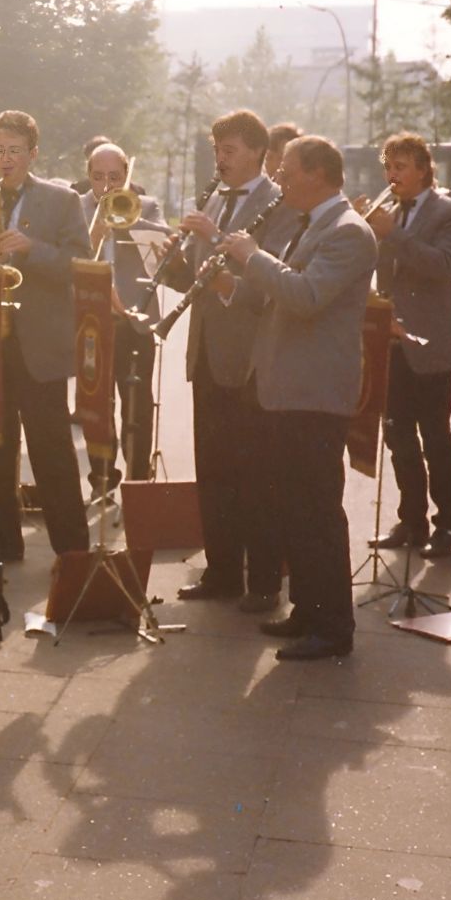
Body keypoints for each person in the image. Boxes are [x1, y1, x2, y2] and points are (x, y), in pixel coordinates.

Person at [220, 135, 377, 659]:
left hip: (314, 394)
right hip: (287, 389)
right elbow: (279, 293)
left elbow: (307, 297)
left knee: (316, 511)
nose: (279, 178)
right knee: (294, 508)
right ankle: (308, 609)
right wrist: (236, 275)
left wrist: (252, 255)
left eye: (286, 170)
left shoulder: (349, 231)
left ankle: (333, 626)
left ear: (317, 172)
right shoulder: (314, 224)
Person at [0, 109, 90, 560]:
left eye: (14, 151)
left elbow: (78, 264)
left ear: (33, 153)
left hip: (40, 345)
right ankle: (5, 540)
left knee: (52, 449)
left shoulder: (62, 199)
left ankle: (71, 547)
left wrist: (32, 250)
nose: (5, 159)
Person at [162, 110, 281, 609]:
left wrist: (210, 237)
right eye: (216, 150)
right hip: (207, 350)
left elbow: (271, 281)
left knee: (254, 472)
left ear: (256, 151)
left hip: (250, 354)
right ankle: (222, 571)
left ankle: (264, 582)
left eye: (229, 150)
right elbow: (196, 275)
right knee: (212, 468)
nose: (221, 159)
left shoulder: (277, 202)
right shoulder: (213, 197)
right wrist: (165, 256)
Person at [358, 132, 451, 558]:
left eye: (400, 166)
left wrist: (393, 235)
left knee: (436, 436)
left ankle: (447, 525)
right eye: (388, 166)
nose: (392, 175)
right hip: (391, 341)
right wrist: (362, 230)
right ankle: (411, 520)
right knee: (397, 434)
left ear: (424, 168)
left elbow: (442, 265)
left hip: (431, 343)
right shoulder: (385, 211)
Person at [78, 141, 166, 498]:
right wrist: (95, 231)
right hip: (93, 320)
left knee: (138, 403)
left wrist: (128, 218)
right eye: (98, 177)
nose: (106, 186)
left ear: (127, 174)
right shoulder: (77, 207)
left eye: (114, 177)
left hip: (134, 318)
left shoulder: (146, 206)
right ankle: (101, 477)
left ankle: (137, 478)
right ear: (88, 177)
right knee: (96, 402)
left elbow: (162, 247)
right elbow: (71, 257)